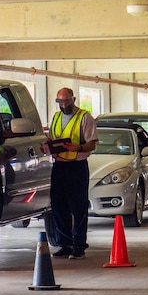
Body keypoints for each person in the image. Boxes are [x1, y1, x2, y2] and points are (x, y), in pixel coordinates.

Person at [42, 88, 97, 259]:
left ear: (73, 99)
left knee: (78, 206)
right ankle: (64, 243)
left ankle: (79, 245)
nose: (63, 105)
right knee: (58, 205)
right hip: (59, 166)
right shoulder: (56, 117)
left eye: (66, 101)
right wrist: (47, 147)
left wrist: (78, 147)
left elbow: (92, 144)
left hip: (77, 166)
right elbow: (52, 138)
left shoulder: (85, 117)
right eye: (60, 102)